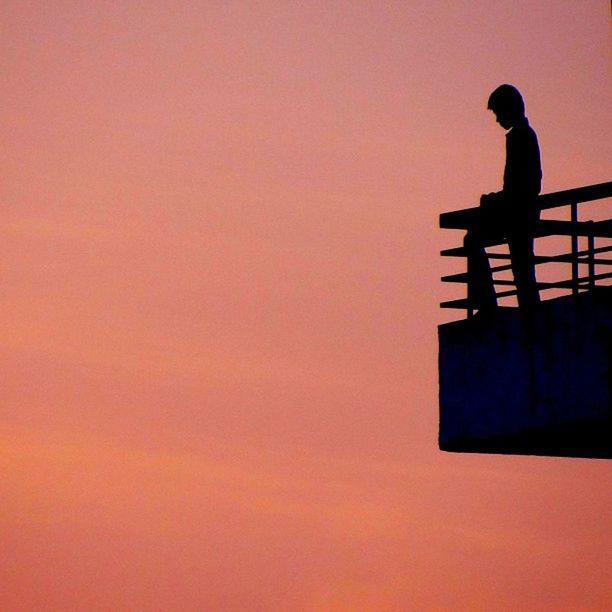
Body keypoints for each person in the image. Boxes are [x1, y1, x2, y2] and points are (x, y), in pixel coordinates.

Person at [464, 84, 542, 312]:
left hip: (518, 214)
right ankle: (522, 307)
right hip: (519, 212)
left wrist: (496, 201)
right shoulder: (523, 136)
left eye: (499, 113)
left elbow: (525, 184)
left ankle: (489, 305)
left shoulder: (522, 137)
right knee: (522, 264)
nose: (497, 120)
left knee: (517, 261)